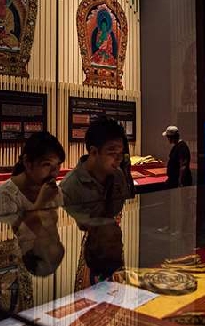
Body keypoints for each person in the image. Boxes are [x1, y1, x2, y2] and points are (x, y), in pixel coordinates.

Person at [61, 117, 134, 286]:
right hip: (95, 250)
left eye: (120, 154)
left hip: (109, 251)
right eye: (112, 153)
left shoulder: (118, 176)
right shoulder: (70, 187)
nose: (118, 159)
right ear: (94, 152)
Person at [0, 132, 65, 277]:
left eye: (58, 165)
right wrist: (41, 201)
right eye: (47, 164)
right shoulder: (4, 195)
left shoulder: (53, 191)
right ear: (28, 163)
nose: (54, 173)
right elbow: (21, 231)